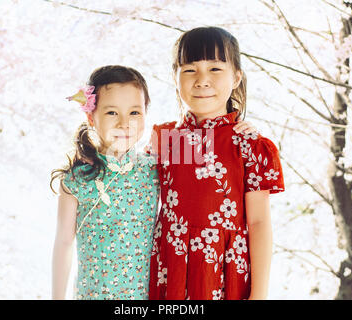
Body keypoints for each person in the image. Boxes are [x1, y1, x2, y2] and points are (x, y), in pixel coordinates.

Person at [148, 26, 285, 300]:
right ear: (175, 78)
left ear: (236, 77)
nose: (201, 80)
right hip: (168, 271)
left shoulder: (250, 146)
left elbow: (258, 223)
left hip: (224, 272)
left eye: (215, 69)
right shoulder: (165, 139)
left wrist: (259, 296)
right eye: (189, 70)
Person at [50, 65, 160, 300]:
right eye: (112, 113)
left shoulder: (155, 171)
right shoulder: (76, 180)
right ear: (91, 117)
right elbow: (63, 244)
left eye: (134, 113)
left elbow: (204, 148)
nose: (124, 123)